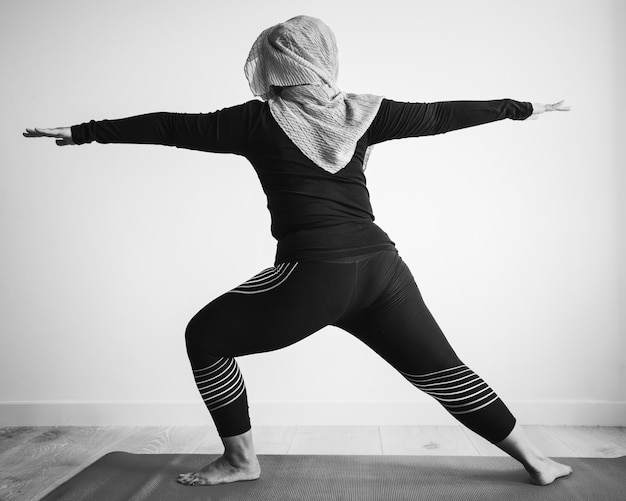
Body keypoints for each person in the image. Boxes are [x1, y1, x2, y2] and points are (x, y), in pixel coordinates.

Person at [24, 15, 572, 488]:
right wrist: (522, 108)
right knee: (444, 371)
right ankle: (537, 459)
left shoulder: (256, 120)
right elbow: (440, 114)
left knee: (205, 336)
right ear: (323, 60)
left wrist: (85, 131)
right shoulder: (365, 111)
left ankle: (240, 461)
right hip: (383, 270)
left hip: (314, 276)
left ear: (274, 65)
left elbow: (172, 127)